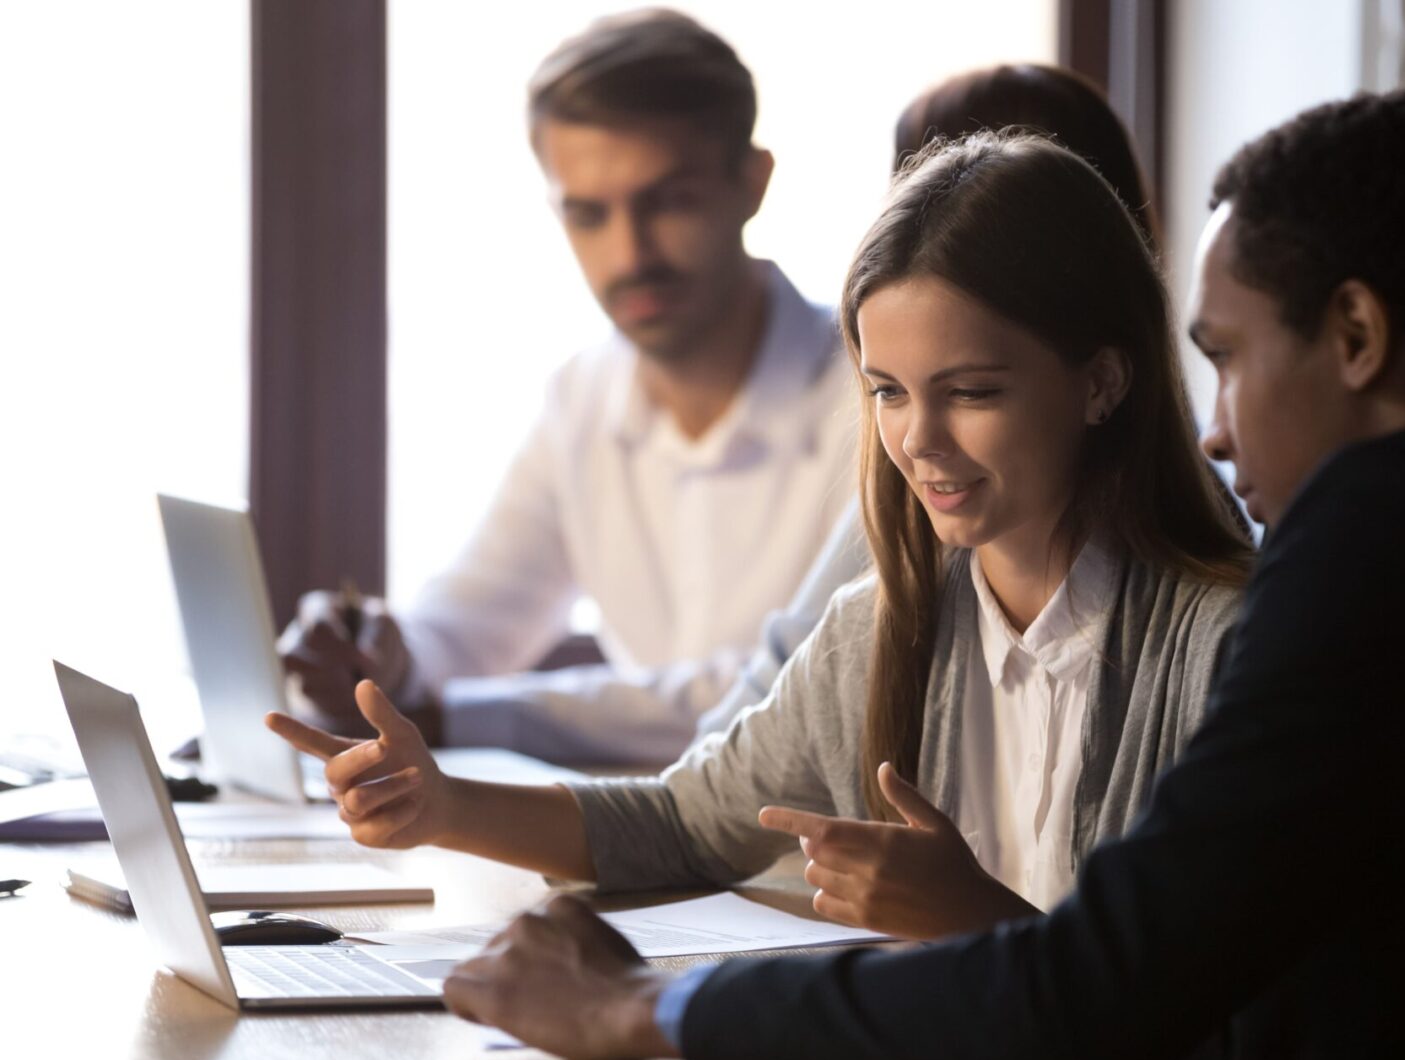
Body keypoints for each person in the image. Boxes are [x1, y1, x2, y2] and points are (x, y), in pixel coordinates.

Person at [429, 92, 1405, 1060]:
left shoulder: (1384, 538)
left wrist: (649, 1011)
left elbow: (1117, 995)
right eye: (887, 390)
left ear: (1355, 335)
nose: (1213, 430)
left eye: (1228, 356)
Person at [267, 132, 1251, 942]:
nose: (919, 442)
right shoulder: (884, 625)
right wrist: (441, 806)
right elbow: (686, 821)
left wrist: (975, 922)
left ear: (1102, 382)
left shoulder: (1231, 645)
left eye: (973, 392)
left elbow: (1209, 998)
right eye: (888, 393)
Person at [277, 9, 855, 764]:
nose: (629, 254)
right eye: (588, 215)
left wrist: (444, 716)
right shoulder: (583, 398)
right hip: (657, 855)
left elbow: (777, 692)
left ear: (753, 183)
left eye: (669, 201)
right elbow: (467, 623)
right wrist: (375, 658)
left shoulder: (878, 401)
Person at [693, 62, 1224, 742]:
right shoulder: (925, 511)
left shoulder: (1201, 624)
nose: (918, 438)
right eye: (888, 390)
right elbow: (745, 742)